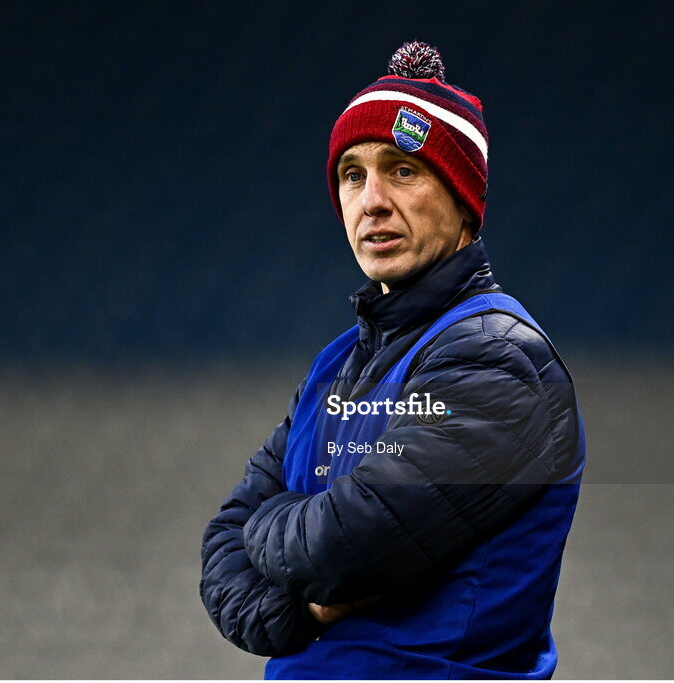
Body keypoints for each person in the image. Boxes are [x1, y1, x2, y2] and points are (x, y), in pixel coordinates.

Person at [200, 41, 585, 679]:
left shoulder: (499, 361)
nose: (372, 200)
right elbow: (221, 553)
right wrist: (306, 609)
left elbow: (342, 545)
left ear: (463, 199)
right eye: (353, 174)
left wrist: (276, 536)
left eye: (403, 170)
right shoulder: (336, 365)